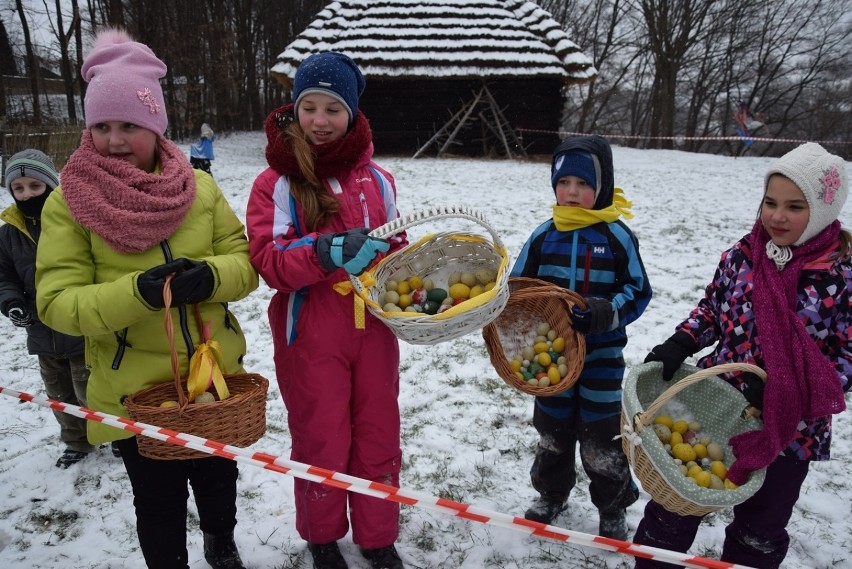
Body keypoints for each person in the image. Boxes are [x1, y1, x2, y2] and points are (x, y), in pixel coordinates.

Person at [34, 28, 258, 569]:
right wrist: (137, 293)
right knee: (156, 499)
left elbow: (248, 264)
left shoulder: (199, 189)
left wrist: (210, 276)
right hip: (136, 388)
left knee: (217, 479)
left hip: (212, 378)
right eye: (102, 126)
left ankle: (220, 545)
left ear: (156, 126)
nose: (114, 139)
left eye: (129, 125)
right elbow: (58, 302)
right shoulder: (70, 202)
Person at [635, 142, 851, 568]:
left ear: (822, 211)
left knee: (760, 528)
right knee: (673, 509)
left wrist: (786, 391)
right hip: (718, 405)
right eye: (770, 202)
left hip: (792, 430)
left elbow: (847, 356)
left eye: (794, 206)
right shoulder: (743, 256)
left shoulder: (839, 276)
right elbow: (713, 309)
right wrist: (683, 340)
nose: (777, 215)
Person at [246, 51, 408, 569]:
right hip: (311, 329)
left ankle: (378, 537)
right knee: (322, 434)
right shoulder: (276, 183)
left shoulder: (378, 180)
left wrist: (405, 263)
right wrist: (324, 251)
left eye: (332, 109)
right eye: (309, 107)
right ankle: (322, 537)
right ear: (294, 110)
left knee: (379, 430)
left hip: (375, 325)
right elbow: (268, 260)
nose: (319, 120)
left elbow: (397, 242)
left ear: (353, 114)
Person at [511, 134, 652, 540]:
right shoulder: (543, 235)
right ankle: (551, 493)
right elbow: (519, 286)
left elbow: (638, 289)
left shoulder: (616, 236)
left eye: (584, 184)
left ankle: (612, 504)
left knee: (601, 436)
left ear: (602, 186)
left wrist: (607, 312)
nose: (572, 192)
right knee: (553, 431)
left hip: (602, 357)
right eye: (564, 183)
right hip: (552, 356)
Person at [1, 149, 97, 468]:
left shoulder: (74, 221)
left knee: (90, 390)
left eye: (34, 186)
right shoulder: (9, 234)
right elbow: (5, 275)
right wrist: (12, 303)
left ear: (51, 186)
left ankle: (109, 435)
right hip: (40, 330)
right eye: (18, 188)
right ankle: (76, 441)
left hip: (79, 327)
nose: (26, 194)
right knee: (59, 394)